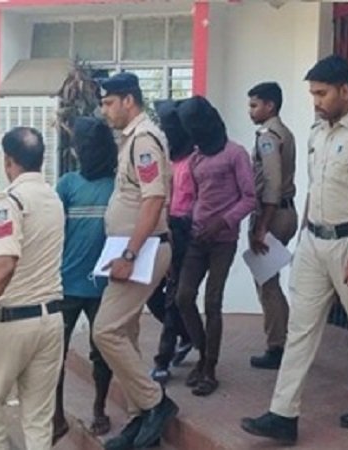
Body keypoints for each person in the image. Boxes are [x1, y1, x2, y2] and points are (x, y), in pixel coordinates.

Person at [241, 55, 348, 445]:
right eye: (313, 94)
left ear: (346, 90)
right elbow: (316, 187)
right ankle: (283, 414)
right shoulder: (316, 132)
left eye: (322, 93)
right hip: (314, 241)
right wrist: (305, 233)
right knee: (300, 329)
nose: (316, 101)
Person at [94, 72, 178, 450]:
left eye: (109, 103)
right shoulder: (132, 138)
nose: (105, 110)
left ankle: (155, 403)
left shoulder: (143, 139)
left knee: (105, 330)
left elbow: (153, 199)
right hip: (131, 248)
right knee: (125, 332)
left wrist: (129, 254)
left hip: (142, 249)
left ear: (129, 100)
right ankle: (139, 418)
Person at [0, 127, 65, 450]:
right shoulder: (53, 198)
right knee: (38, 419)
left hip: (12, 320)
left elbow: (4, 266)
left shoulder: (9, 201)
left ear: (8, 161)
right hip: (51, 319)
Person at [174, 96, 256, 397]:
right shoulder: (196, 158)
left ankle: (209, 367)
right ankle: (202, 350)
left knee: (212, 302)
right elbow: (197, 197)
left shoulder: (236, 154)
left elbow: (250, 197)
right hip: (197, 238)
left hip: (223, 240)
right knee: (183, 297)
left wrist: (222, 222)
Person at [52, 117, 116, 441]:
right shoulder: (67, 185)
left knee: (101, 352)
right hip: (66, 283)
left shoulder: (117, 188)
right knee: (55, 353)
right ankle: (57, 414)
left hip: (104, 286)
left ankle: (99, 408)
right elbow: (54, 233)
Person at [246, 82, 298, 370]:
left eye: (255, 105)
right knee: (270, 279)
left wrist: (261, 226)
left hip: (272, 215)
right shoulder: (284, 132)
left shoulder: (268, 136)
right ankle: (286, 339)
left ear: (270, 106)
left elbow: (272, 183)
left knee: (266, 283)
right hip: (285, 212)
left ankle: (277, 345)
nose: (250, 111)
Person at [148, 100, 195, 384]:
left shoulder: (196, 158)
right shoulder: (164, 158)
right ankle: (188, 334)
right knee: (153, 293)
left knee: (173, 297)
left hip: (187, 231)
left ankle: (162, 360)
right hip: (163, 230)